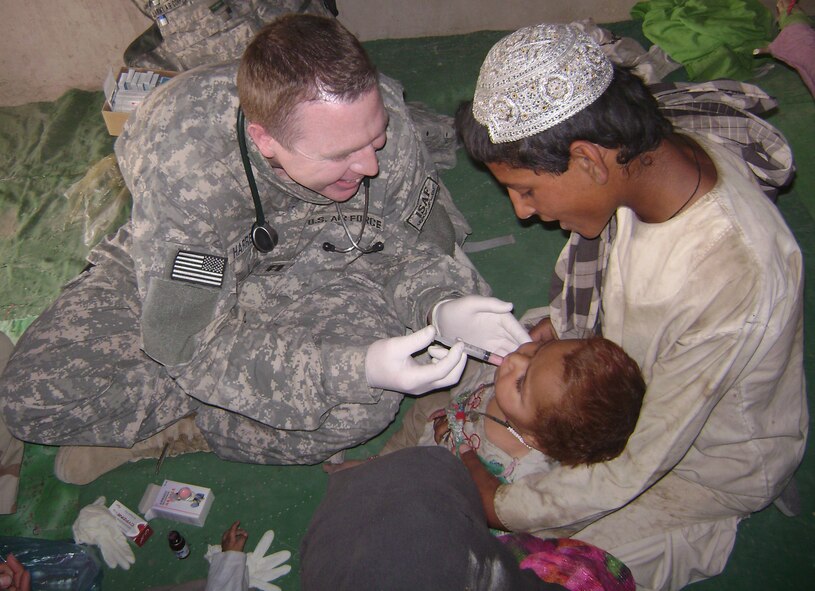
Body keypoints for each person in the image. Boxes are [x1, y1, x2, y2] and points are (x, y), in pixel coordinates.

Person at [0, 14, 530, 484]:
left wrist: (443, 304)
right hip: (194, 262)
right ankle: (212, 403)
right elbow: (190, 339)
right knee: (32, 401)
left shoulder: (377, 112)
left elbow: (408, 248)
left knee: (357, 411)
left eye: (376, 138)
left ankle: (187, 429)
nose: (370, 165)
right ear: (264, 139)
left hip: (329, 264)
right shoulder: (184, 159)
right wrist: (348, 366)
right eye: (342, 154)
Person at [387, 23, 807, 591]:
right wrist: (552, 327)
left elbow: (639, 461)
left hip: (701, 459)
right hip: (621, 356)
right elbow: (592, 278)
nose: (522, 212)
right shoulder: (646, 153)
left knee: (523, 569)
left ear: (587, 161)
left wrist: (501, 505)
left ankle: (694, 528)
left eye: (528, 190)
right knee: (485, 365)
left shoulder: (728, 276)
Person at [422, 338, 645, 484]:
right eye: (538, 350)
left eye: (521, 383)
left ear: (535, 439)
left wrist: (455, 443)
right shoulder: (526, 392)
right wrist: (455, 418)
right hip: (447, 423)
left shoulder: (517, 475)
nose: (513, 359)